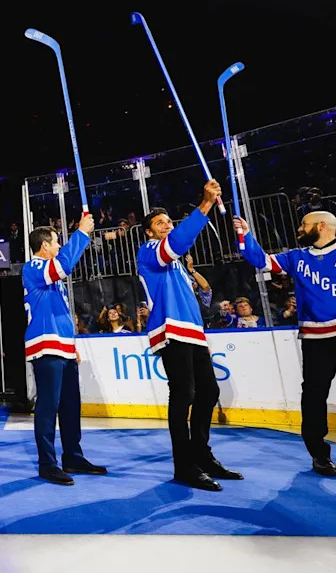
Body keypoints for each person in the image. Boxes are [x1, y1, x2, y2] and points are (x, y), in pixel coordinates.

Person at [234, 211, 336, 482]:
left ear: (321, 226)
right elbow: (260, 260)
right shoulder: (296, 257)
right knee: (313, 396)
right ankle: (319, 454)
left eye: (304, 224)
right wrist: (245, 233)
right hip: (315, 336)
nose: (300, 228)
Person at [138, 180, 242, 491]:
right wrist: (206, 205)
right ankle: (184, 465)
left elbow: (192, 303)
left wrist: (203, 339)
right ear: (149, 232)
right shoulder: (149, 251)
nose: (167, 226)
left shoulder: (179, 267)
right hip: (170, 330)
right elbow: (177, 243)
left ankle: (201, 455)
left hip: (192, 333)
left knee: (208, 393)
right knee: (183, 395)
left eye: (169, 221)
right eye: (160, 223)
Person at [23, 215, 107, 485]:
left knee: (71, 405)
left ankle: (72, 455)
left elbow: (59, 311)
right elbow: (63, 265)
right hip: (45, 345)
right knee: (48, 406)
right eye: (56, 242)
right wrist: (81, 233)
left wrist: (71, 344)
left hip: (62, 345)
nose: (59, 246)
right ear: (44, 246)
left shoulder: (49, 272)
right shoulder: (33, 267)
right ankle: (47, 463)